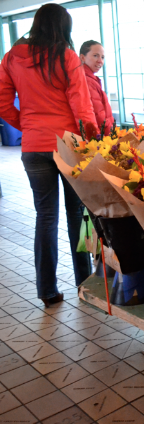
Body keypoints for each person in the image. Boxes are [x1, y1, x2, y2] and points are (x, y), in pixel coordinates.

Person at [0, 4, 98, 307]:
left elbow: (3, 103)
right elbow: (81, 103)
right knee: (76, 215)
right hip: (67, 145)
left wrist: (28, 126)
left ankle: (47, 291)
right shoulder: (65, 56)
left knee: (45, 217)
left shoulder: (11, 58)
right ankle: (85, 284)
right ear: (62, 28)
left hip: (33, 146)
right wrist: (92, 136)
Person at [79, 40, 114, 131]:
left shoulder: (89, 78)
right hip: (101, 135)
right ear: (82, 57)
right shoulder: (87, 81)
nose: (100, 61)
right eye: (95, 56)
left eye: (102, 57)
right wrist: (112, 134)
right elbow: (98, 115)